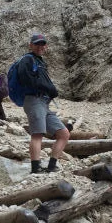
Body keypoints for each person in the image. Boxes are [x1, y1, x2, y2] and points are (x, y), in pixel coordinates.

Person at [17, 33, 70, 173]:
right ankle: (35, 168)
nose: (40, 46)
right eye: (37, 44)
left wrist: (49, 91)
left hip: (43, 102)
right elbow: (25, 79)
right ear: (31, 45)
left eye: (42, 44)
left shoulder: (40, 62)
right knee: (37, 134)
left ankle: (51, 166)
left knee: (64, 134)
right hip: (34, 100)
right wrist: (46, 88)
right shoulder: (27, 60)